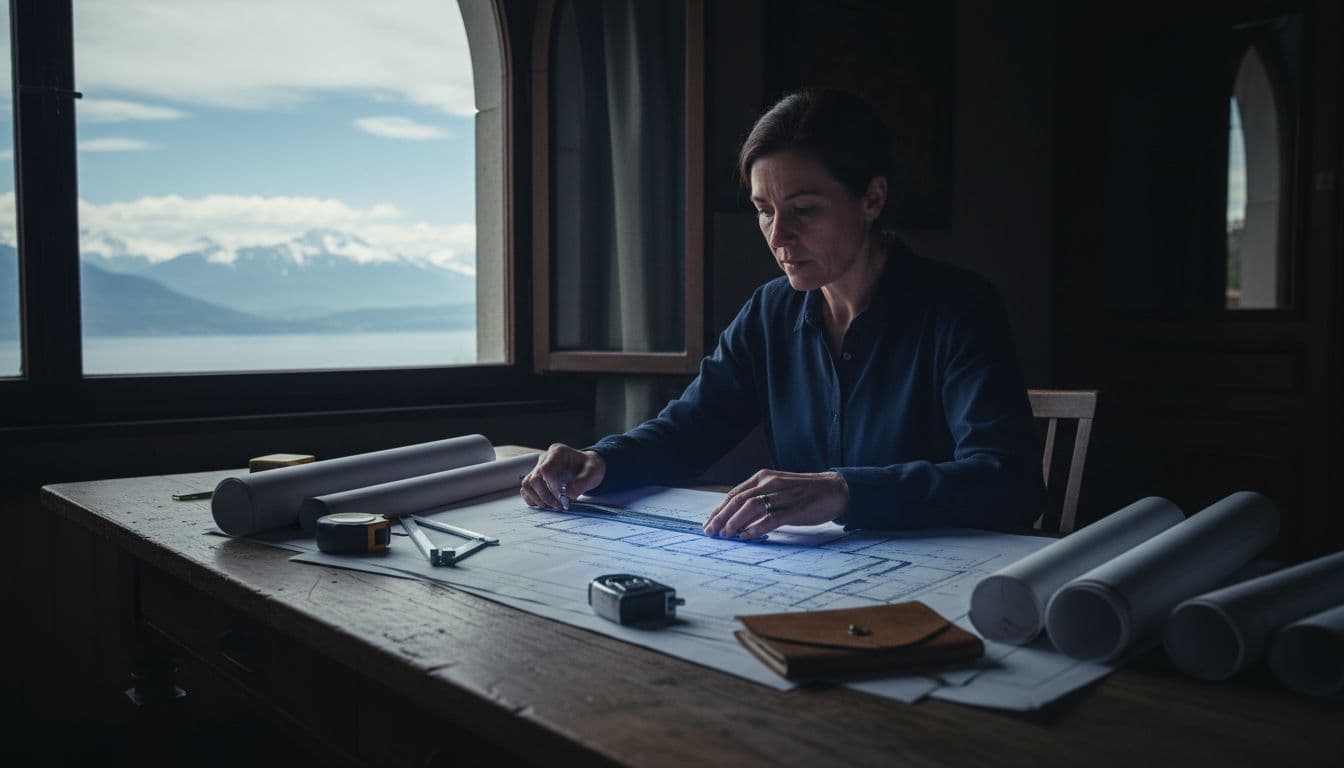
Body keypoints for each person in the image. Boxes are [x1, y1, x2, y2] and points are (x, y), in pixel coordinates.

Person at [521, 88, 1044, 540]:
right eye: (764, 210)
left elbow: (1009, 483)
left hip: (945, 578)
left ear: (873, 199)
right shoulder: (771, 311)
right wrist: (600, 460)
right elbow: (689, 430)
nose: (778, 237)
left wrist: (842, 490)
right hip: (816, 573)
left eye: (804, 209)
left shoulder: (959, 308)